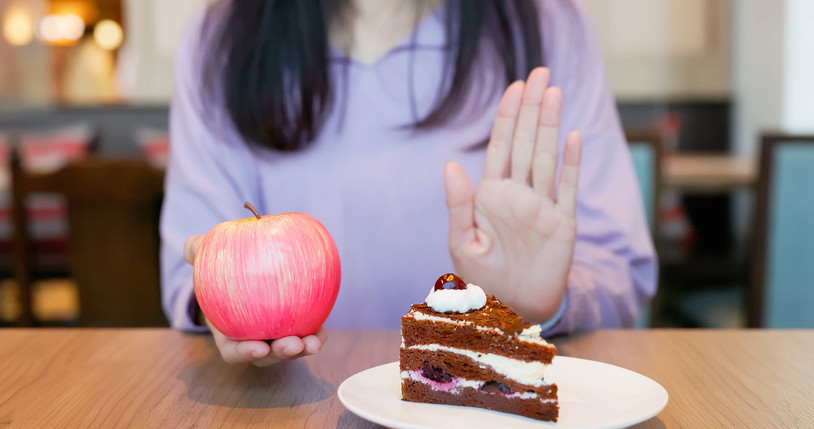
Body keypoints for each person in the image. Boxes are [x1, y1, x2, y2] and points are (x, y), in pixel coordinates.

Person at [161, 0, 657, 367]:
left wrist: (534, 306)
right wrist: (222, 309)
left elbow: (620, 269)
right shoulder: (220, 38)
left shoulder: (547, 23)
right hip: (292, 400)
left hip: (487, 397)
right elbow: (189, 272)